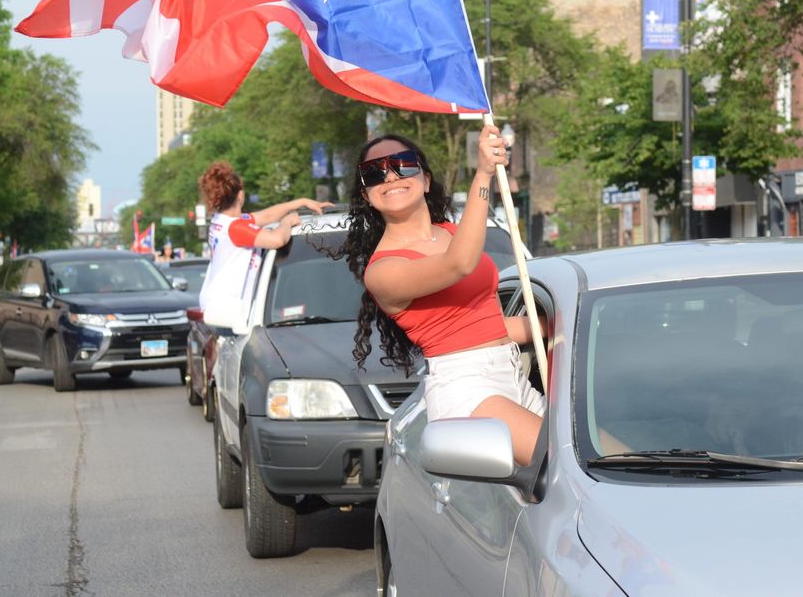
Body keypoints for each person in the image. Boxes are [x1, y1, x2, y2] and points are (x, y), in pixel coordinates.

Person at [335, 126, 544, 465]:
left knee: (606, 458)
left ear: (426, 180)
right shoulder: (382, 270)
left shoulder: (449, 232)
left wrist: (553, 326)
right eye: (374, 173)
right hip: (467, 389)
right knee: (565, 464)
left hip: (512, 375)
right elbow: (458, 265)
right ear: (365, 195)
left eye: (401, 164)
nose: (389, 176)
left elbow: (489, 326)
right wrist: (483, 174)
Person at [198, 161, 331, 314]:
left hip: (219, 306)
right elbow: (277, 240)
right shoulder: (235, 228)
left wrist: (301, 202)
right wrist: (287, 222)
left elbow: (266, 216)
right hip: (228, 310)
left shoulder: (222, 221)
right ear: (240, 195)